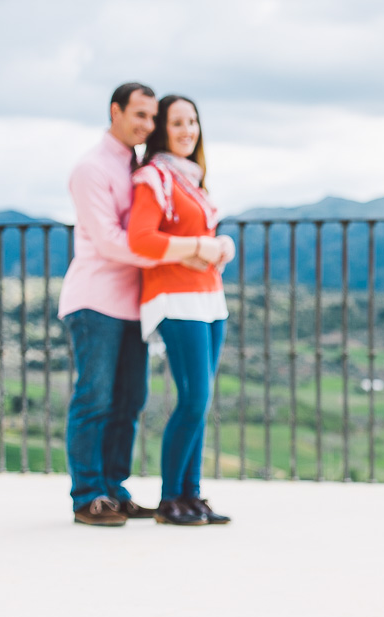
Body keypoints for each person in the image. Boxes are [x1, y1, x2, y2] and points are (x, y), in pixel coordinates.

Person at [128, 94, 235, 526]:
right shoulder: (153, 178)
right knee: (193, 399)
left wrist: (221, 246)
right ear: (161, 131)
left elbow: (205, 242)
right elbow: (141, 240)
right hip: (177, 299)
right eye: (177, 123)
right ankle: (172, 497)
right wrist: (198, 246)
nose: (188, 130)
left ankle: (191, 496)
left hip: (209, 299)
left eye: (193, 121)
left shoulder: (191, 180)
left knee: (200, 403)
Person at [60, 82, 164, 526]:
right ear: (114, 111)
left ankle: (114, 490)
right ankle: (88, 496)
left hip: (133, 304)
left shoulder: (138, 168)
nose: (147, 125)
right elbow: (108, 241)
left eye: (152, 117)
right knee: (95, 399)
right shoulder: (91, 168)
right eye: (139, 114)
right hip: (95, 300)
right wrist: (177, 251)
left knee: (129, 400)